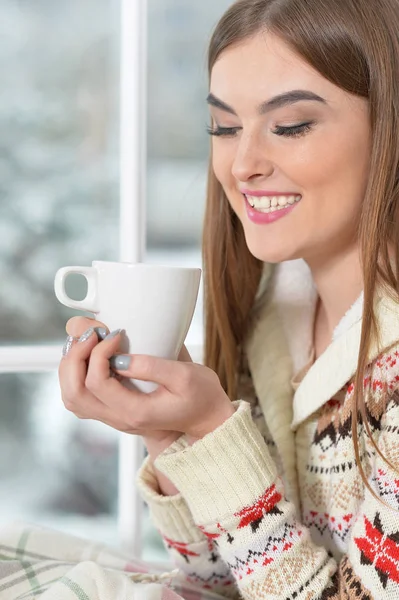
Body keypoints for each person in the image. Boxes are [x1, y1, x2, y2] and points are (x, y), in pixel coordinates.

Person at [59, 0, 399, 597]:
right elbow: (224, 582)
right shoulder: (271, 323)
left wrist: (216, 433)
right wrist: (173, 434)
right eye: (225, 127)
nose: (242, 164)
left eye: (290, 126)